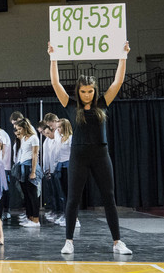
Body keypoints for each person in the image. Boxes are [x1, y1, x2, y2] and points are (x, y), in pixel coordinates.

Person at [49, 41, 132, 255]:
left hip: (100, 155)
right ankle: (69, 241)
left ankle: (117, 242)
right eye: (84, 91)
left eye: (90, 91)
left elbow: (118, 81)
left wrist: (123, 56)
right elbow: (56, 83)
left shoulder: (102, 104)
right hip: (79, 156)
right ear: (78, 91)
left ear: (95, 91)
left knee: (109, 198)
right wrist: (53, 58)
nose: (87, 94)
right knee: (73, 199)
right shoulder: (71, 107)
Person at [13, 119, 41, 227]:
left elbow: (35, 155)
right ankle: (30, 217)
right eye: (17, 129)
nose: (18, 131)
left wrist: (33, 171)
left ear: (25, 128)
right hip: (23, 166)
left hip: (30, 166)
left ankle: (36, 219)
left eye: (20, 129)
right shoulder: (24, 138)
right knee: (26, 195)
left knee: (32, 194)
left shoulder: (34, 138)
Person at [54, 119, 73, 226]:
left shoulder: (70, 138)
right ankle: (66, 216)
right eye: (57, 127)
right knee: (63, 193)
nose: (58, 129)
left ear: (65, 127)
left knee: (69, 193)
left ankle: (73, 218)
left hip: (68, 166)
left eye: (60, 127)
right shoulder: (59, 138)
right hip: (60, 166)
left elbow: (73, 154)